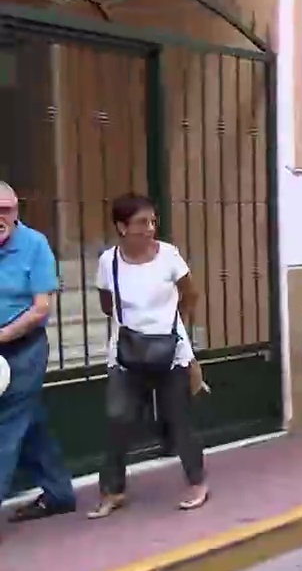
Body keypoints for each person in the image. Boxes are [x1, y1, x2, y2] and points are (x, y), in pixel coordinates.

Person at [88, 193, 207, 516]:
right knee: (118, 419)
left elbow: (190, 294)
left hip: (170, 350)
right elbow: (105, 304)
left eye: (153, 221)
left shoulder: (168, 256)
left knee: (178, 419)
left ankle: (197, 482)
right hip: (126, 352)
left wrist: (171, 324)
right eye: (142, 223)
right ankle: (113, 490)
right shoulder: (108, 261)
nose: (150, 228)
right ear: (122, 227)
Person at [0, 181, 76, 532]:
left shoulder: (35, 245)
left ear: (17, 211)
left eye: (6, 210)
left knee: (6, 428)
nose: (1, 217)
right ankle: (59, 493)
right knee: (29, 423)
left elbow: (40, 308)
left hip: (23, 349)